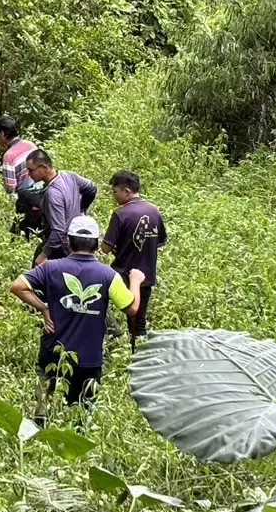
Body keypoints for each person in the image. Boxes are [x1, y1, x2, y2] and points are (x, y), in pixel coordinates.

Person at [9, 214, 143, 420]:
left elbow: (18, 286)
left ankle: (37, 440)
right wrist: (135, 280)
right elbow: (132, 308)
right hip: (88, 359)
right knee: (82, 415)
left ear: (68, 242)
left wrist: (44, 308)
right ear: (97, 245)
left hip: (52, 352)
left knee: (43, 408)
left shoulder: (51, 267)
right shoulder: (108, 275)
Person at [101, 170, 167, 351]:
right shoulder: (154, 211)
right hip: (146, 274)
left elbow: (105, 248)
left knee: (99, 303)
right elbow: (160, 242)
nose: (114, 197)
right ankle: (138, 354)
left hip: (122, 275)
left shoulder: (120, 214)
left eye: (115, 192)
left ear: (127, 191)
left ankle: (113, 338)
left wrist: (118, 247)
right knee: (139, 321)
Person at [25, 149, 97, 263]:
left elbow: (58, 231)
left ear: (43, 168)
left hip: (59, 248)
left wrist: (44, 255)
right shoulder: (69, 176)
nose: (29, 174)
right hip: (74, 241)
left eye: (31, 170)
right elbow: (92, 188)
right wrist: (81, 209)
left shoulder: (52, 194)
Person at [0, 117, 43, 239]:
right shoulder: (30, 145)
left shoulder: (9, 156)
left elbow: (11, 188)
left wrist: (4, 184)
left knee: (19, 235)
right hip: (42, 191)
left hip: (26, 198)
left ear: (2, 134)